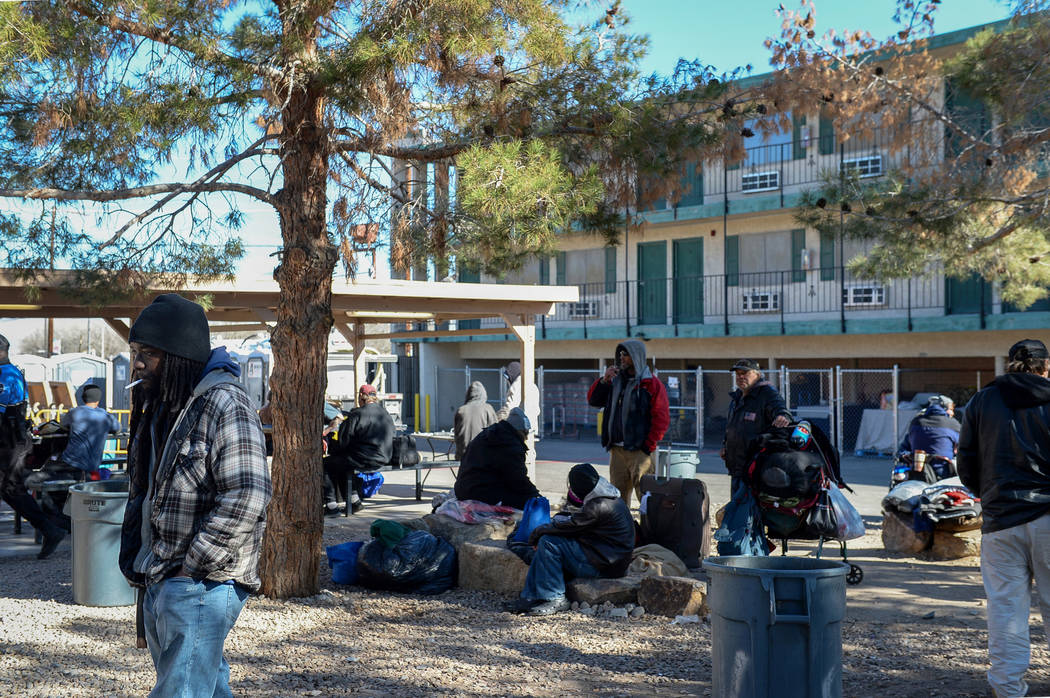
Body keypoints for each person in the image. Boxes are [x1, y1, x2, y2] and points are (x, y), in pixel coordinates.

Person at [118, 293, 272, 698]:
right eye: (135, 351)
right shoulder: (163, 403)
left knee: (181, 691)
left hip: (203, 581)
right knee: (204, 684)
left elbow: (249, 494)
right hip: (163, 574)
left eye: (147, 354)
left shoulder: (225, 402)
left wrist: (192, 568)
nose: (137, 363)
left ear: (178, 356)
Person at [958, 338, 1050, 698]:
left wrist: (991, 494)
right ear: (1045, 366)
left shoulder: (982, 400)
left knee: (1007, 611)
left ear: (1009, 364)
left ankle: (1007, 688)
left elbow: (966, 461)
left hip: (1001, 520)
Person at [502, 463, 634, 616]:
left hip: (605, 566)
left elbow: (570, 526)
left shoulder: (598, 506)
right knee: (549, 542)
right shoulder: (609, 497)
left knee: (549, 543)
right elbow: (576, 526)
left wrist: (537, 533)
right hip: (608, 559)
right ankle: (531, 596)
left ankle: (555, 597)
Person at [0, 333, 68, 559]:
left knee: (10, 488)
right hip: (12, 440)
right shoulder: (13, 372)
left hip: (9, 441)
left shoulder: (6, 376)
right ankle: (51, 529)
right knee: (10, 489)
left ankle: (52, 528)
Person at [586, 340, 669, 508]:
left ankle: (649, 531)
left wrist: (648, 446)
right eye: (621, 355)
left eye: (626, 355)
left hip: (640, 452)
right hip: (617, 451)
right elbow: (594, 400)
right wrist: (604, 380)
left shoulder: (651, 384)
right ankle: (622, 532)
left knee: (646, 497)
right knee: (617, 497)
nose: (622, 358)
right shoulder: (616, 382)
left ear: (637, 357)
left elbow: (661, 418)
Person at [24, 384, 122, 521]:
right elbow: (118, 429)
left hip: (70, 463)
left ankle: (55, 520)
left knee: (40, 472)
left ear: (83, 398)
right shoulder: (106, 417)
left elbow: (63, 425)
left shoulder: (75, 412)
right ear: (98, 400)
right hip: (91, 466)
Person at [721, 359, 791, 495]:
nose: (740, 377)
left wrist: (782, 416)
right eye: (738, 374)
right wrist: (726, 445)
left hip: (755, 469)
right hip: (736, 466)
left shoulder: (767, 393)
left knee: (749, 510)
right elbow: (732, 425)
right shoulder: (738, 397)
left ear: (757, 375)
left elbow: (780, 409)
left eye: (745, 373)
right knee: (736, 507)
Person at [325, 384, 394, 514]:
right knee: (342, 463)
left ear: (360, 398)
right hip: (385, 457)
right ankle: (354, 501)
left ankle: (331, 506)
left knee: (327, 464)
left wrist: (334, 448)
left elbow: (343, 440)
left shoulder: (357, 414)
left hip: (365, 459)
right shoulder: (385, 413)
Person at [454, 407, 539, 509]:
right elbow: (518, 480)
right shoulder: (510, 443)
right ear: (521, 432)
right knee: (528, 501)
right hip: (478, 493)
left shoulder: (490, 434)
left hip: (464, 489)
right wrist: (535, 495)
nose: (526, 438)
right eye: (526, 434)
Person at [897, 395, 961, 479]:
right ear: (944, 409)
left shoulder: (916, 422)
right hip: (943, 473)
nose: (953, 413)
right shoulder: (953, 424)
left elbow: (904, 447)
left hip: (917, 472)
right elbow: (965, 445)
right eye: (951, 409)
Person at [497, 360, 541, 479]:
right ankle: (529, 483)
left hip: (519, 430)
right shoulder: (532, 385)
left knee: (517, 461)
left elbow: (509, 408)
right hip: (530, 428)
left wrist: (496, 419)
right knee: (529, 458)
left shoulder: (517, 385)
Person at [454, 381, 497, 460]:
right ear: (483, 394)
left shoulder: (461, 410)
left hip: (463, 456)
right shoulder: (488, 409)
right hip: (482, 456)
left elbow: (456, 435)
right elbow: (496, 434)